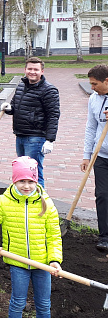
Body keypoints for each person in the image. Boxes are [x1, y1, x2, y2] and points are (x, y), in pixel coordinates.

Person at [0, 156, 62, 318]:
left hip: (43, 263)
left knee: (44, 305)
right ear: (14, 181)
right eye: (22, 181)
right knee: (18, 302)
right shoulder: (5, 202)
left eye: (31, 182)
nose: (26, 186)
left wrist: (54, 259)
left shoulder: (46, 203)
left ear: (36, 182)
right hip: (17, 261)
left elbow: (54, 235)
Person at [1, 57, 60, 188]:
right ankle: (26, 202)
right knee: (23, 171)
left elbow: (53, 116)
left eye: (36, 69)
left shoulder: (49, 90)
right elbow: (15, 106)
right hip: (20, 135)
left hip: (36, 138)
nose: (32, 72)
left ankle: (41, 204)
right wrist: (9, 109)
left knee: (34, 174)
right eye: (30, 69)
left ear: (42, 71)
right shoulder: (21, 85)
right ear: (25, 70)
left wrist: (50, 140)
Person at [82, 64, 108, 251]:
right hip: (101, 156)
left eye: (95, 84)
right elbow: (91, 127)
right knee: (102, 194)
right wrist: (87, 155)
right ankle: (104, 236)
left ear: (107, 81)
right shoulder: (93, 99)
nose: (92, 87)